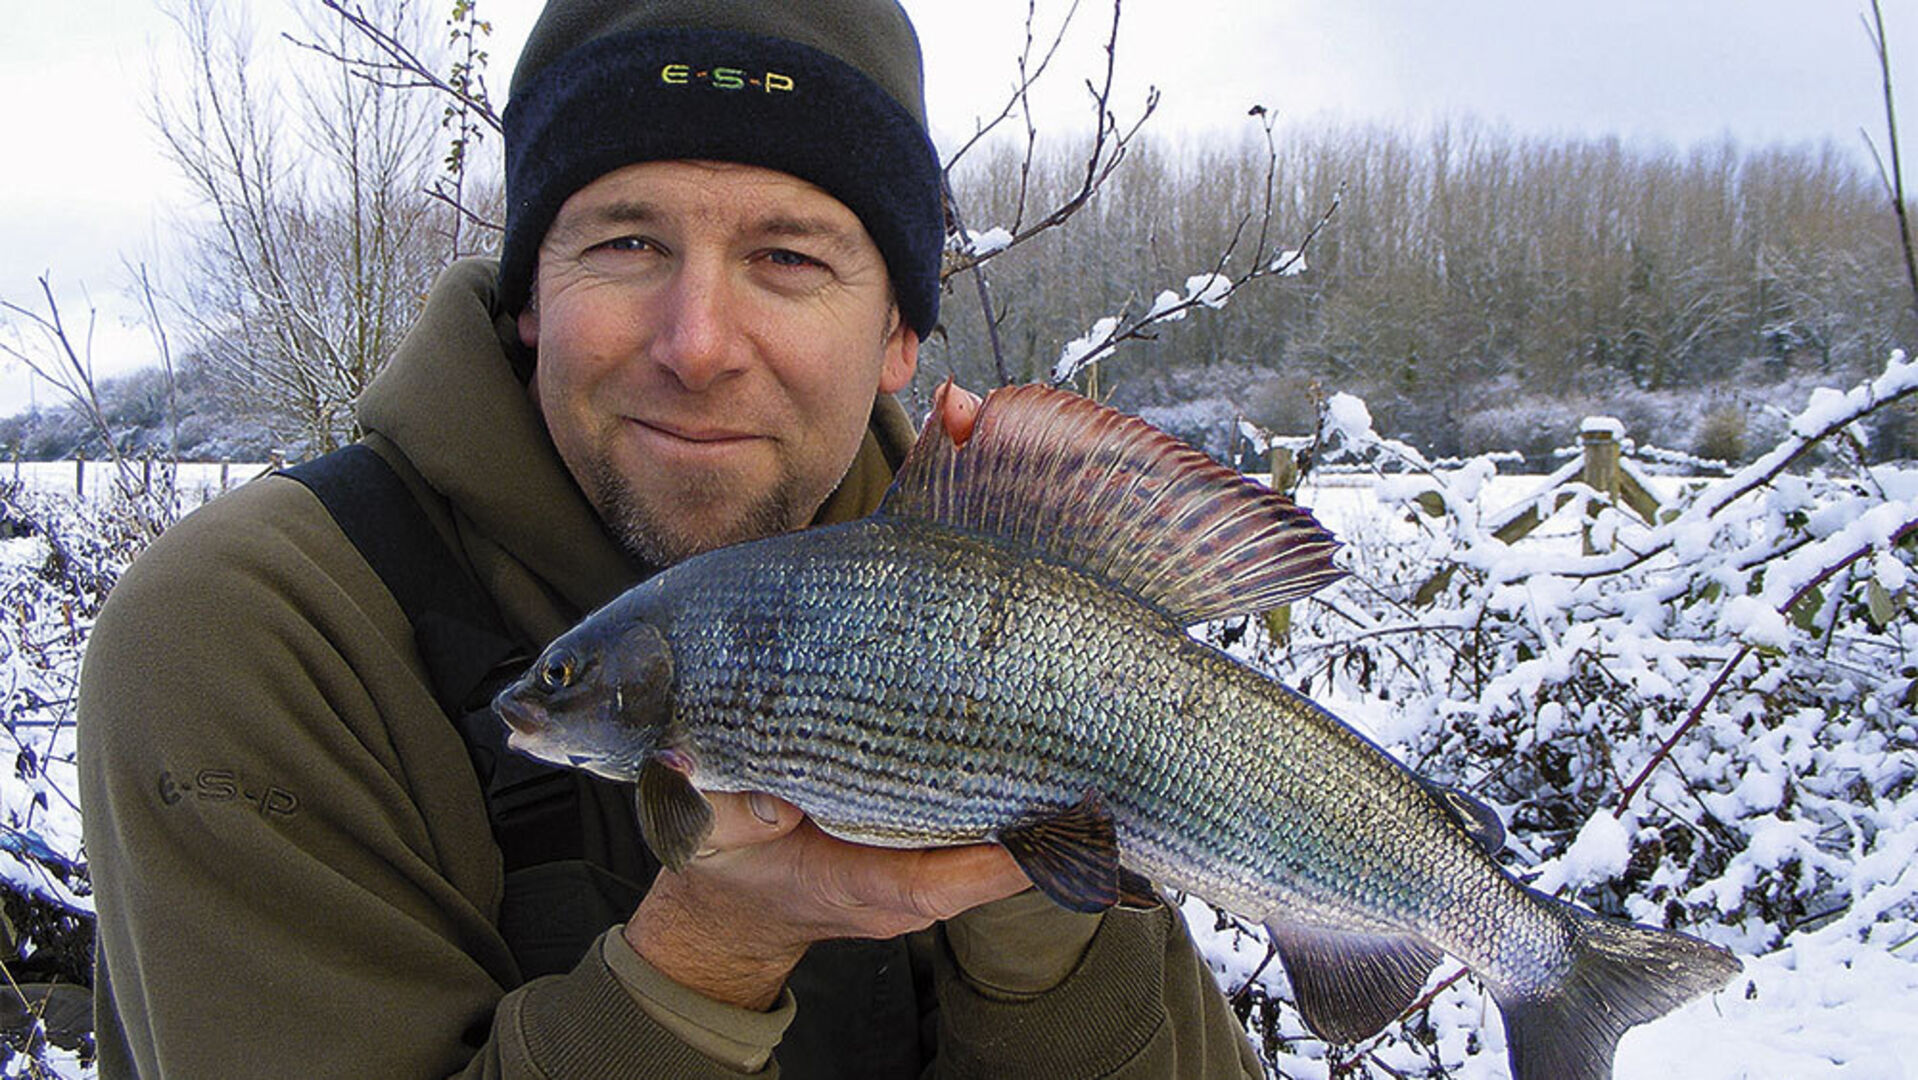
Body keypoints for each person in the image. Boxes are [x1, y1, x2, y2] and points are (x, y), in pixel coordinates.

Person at [77, 1, 1264, 1075]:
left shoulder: (1020, 615)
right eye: (628, 243)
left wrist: (1030, 906)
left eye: (787, 257)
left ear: (901, 332)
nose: (697, 343)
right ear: (530, 291)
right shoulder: (253, 631)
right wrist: (712, 949)